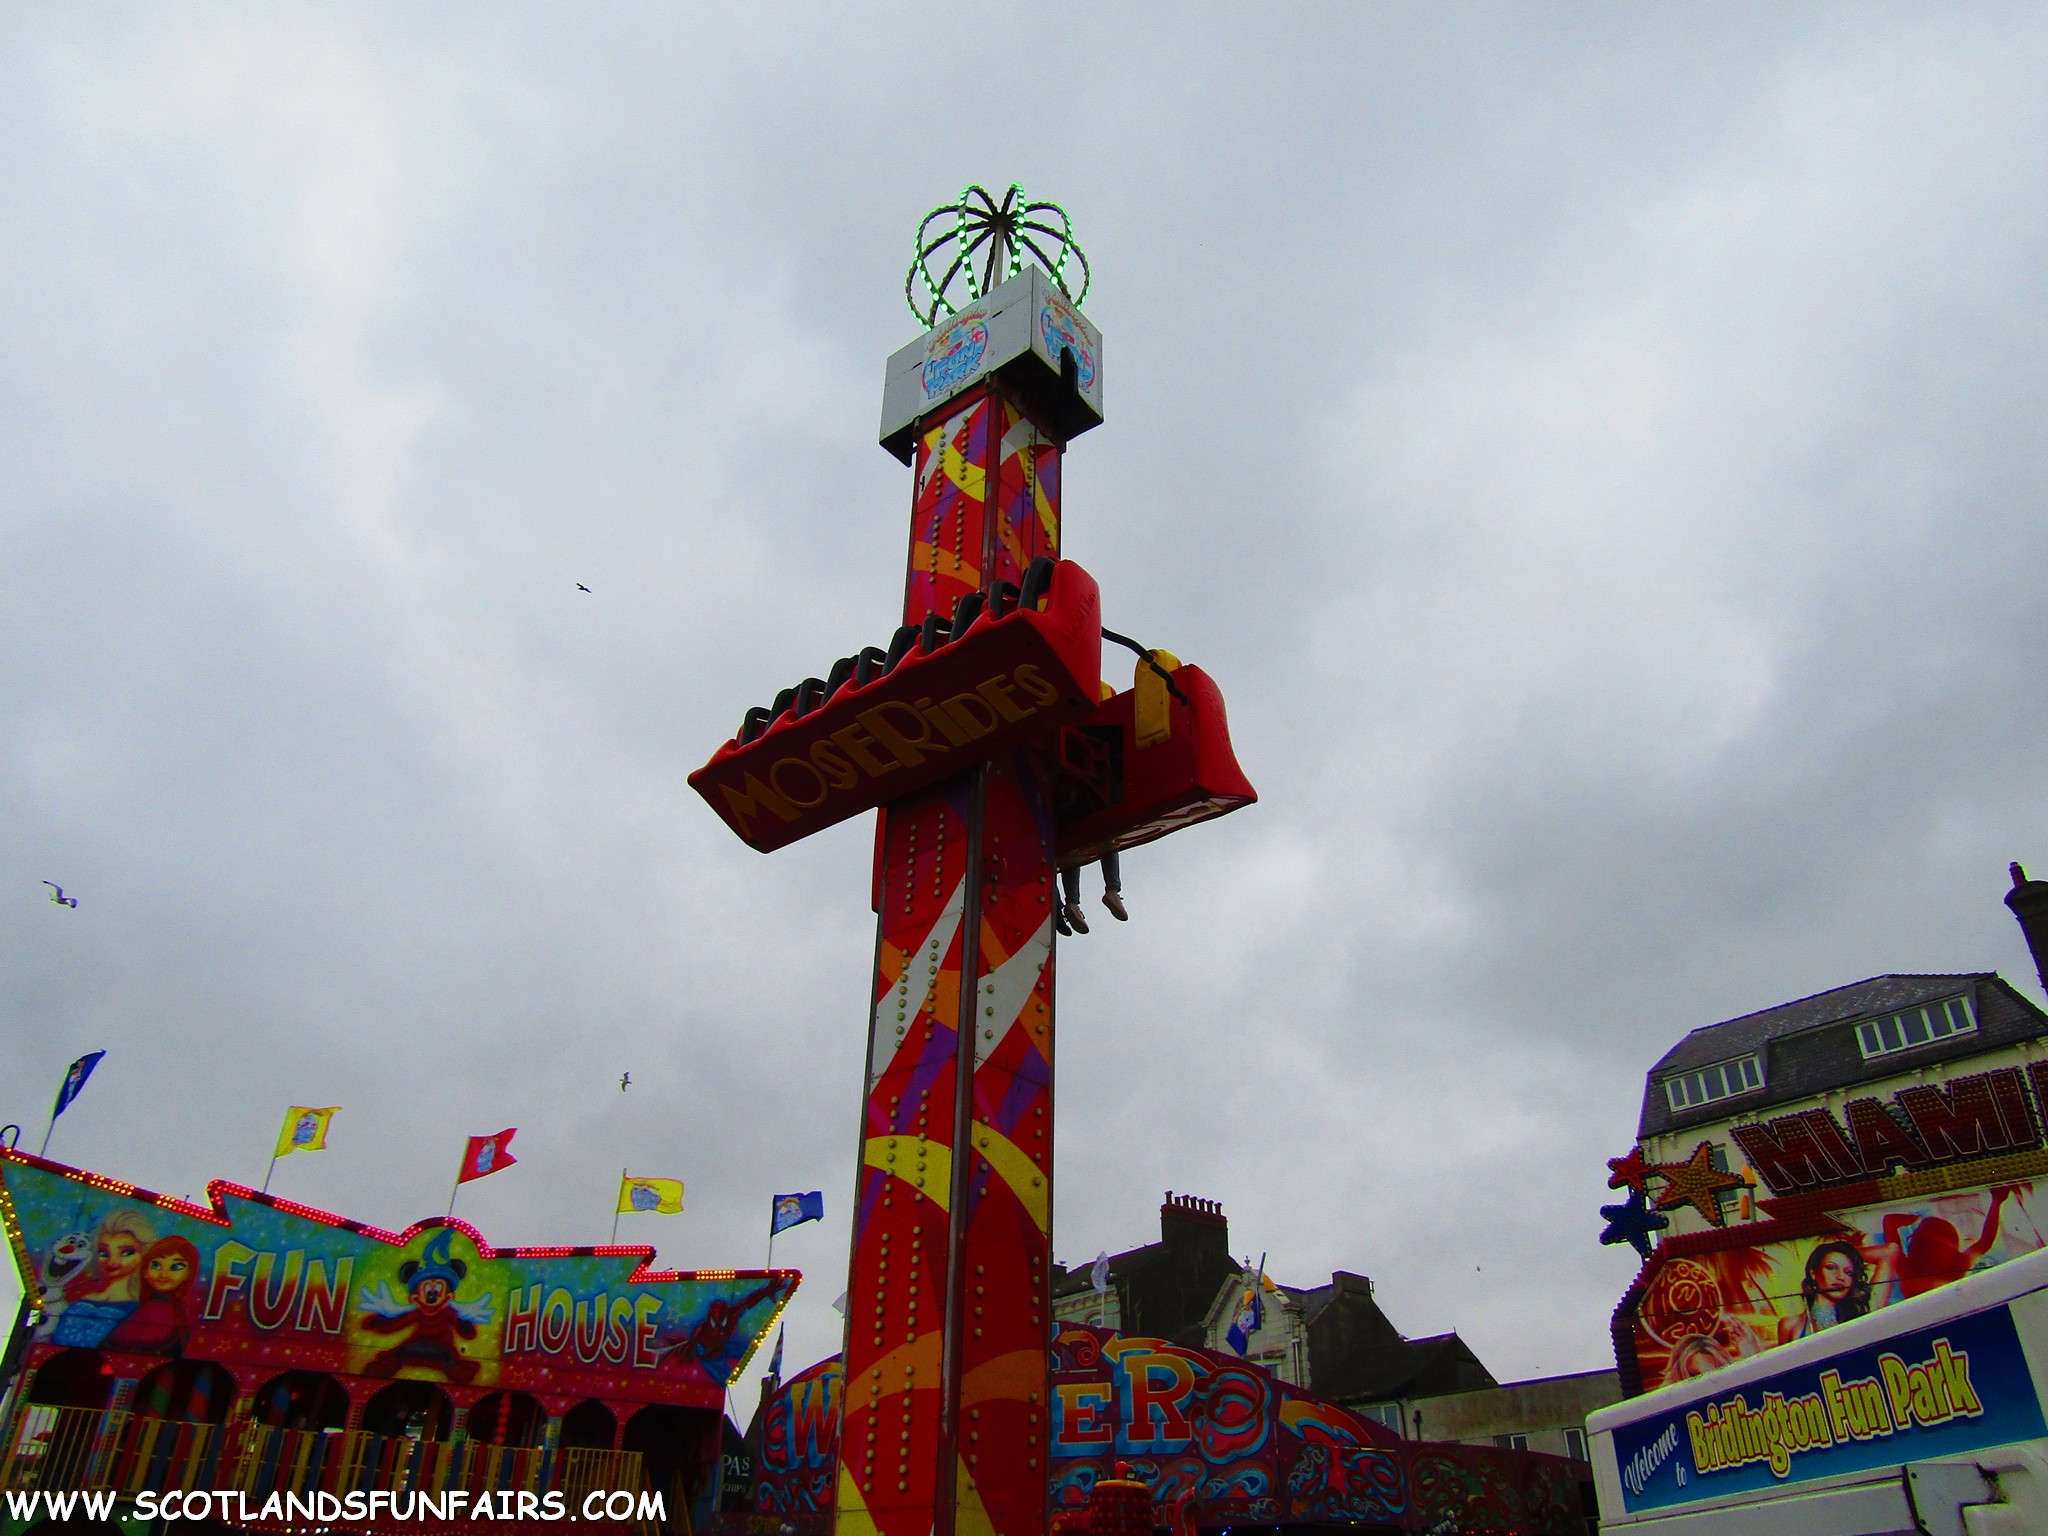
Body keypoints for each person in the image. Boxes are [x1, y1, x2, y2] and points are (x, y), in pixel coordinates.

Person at [103, 1236, 200, 1356]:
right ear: (145, 1271)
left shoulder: (162, 1309)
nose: (163, 1274)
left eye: (176, 1267)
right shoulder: (146, 1308)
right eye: (156, 1265)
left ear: (189, 1273)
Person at [1778, 1241, 1873, 1343]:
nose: (1840, 1277)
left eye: (1848, 1272)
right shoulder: (1791, 1325)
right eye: (1831, 1268)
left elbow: (1889, 1252)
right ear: (1813, 1272)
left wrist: (1853, 1254)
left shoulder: (1859, 1317)